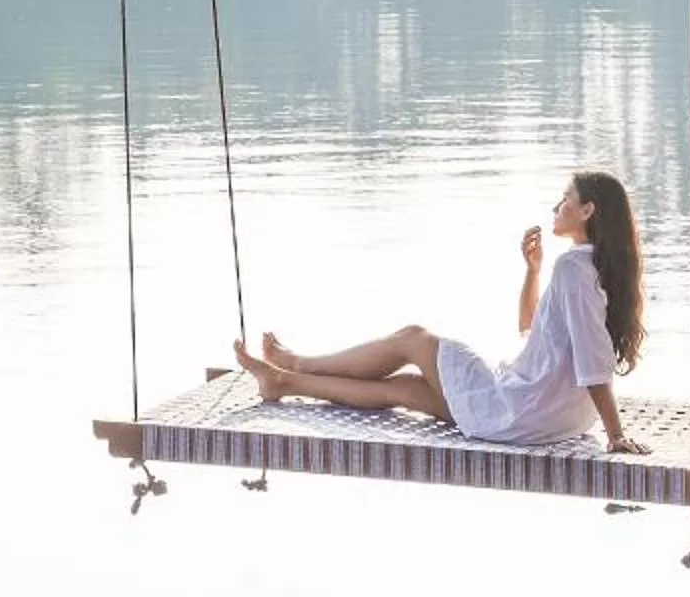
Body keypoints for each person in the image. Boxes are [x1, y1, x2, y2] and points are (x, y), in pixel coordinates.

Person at [234, 169, 645, 452]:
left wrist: (616, 436)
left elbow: (593, 362)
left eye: (566, 199)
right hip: (552, 420)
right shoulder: (591, 269)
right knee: (407, 390)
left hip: (521, 410)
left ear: (588, 210)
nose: (557, 206)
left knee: (414, 339)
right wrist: (532, 271)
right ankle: (283, 383)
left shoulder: (573, 268)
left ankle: (297, 362)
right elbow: (528, 326)